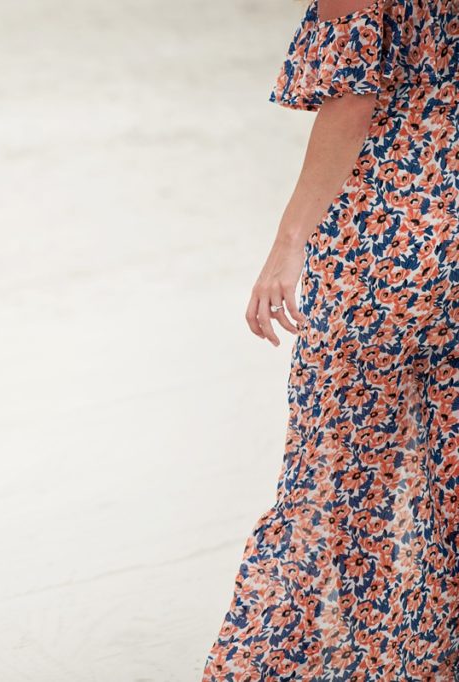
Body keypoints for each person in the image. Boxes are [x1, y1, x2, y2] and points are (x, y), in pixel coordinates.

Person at [204, 0, 459, 678]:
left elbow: (351, 98)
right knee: (445, 485)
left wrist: (288, 244)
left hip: (385, 248)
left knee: (333, 488)